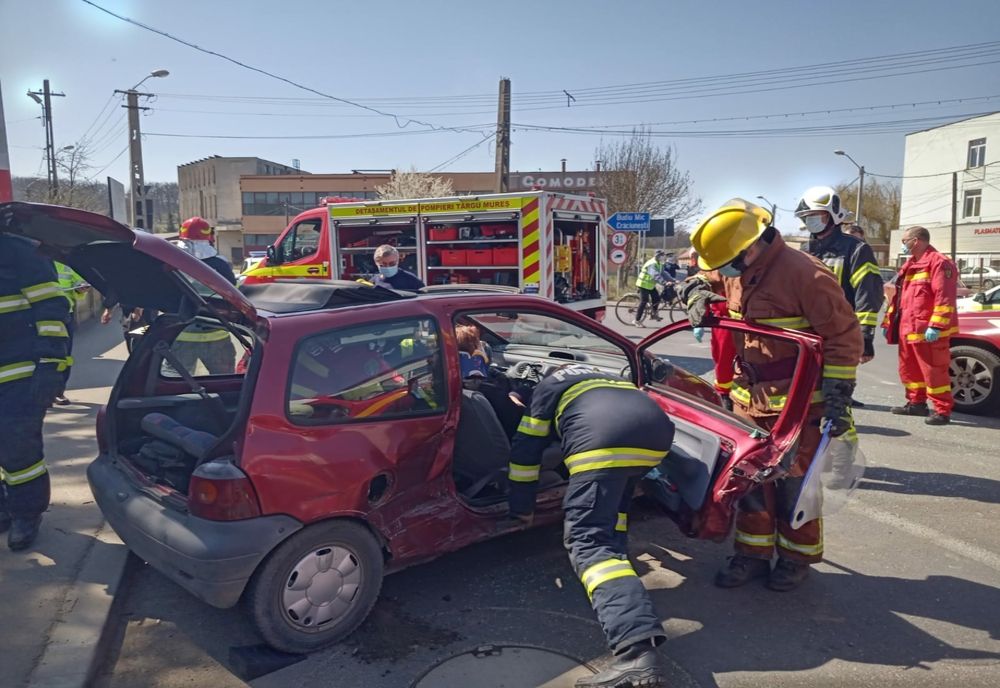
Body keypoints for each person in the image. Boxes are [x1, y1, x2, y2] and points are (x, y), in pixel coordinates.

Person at [679, 198, 862, 591]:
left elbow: (844, 337)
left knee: (794, 487)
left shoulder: (805, 275)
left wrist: (838, 394)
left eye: (729, 263)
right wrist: (694, 293)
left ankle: (796, 560)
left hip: (799, 405)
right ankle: (752, 555)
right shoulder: (736, 267)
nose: (725, 272)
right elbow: (702, 278)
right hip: (748, 402)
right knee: (748, 485)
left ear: (751, 246)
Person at [505, 365, 675, 687]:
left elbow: (525, 451)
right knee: (614, 511)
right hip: (657, 435)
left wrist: (521, 508)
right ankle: (620, 569)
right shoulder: (606, 375)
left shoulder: (547, 387)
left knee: (589, 542)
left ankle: (636, 653)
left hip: (603, 439)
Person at [1, 232, 71, 550]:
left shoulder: (20, 252)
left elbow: (52, 311)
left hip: (19, 372)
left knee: (17, 447)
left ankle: (26, 513)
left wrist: (52, 364)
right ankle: (5, 506)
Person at [797, 186, 884, 409]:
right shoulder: (804, 250)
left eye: (816, 215)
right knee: (804, 396)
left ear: (834, 215)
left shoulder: (856, 249)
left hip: (839, 334)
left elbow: (868, 293)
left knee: (835, 401)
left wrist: (865, 336)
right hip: (806, 334)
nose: (811, 220)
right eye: (807, 217)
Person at [884, 226, 958, 425]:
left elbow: (944, 297)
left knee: (934, 371)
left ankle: (942, 411)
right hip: (908, 329)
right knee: (909, 370)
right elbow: (899, 297)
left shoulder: (939, 262)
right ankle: (916, 404)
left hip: (928, 331)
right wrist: (889, 322)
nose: (903, 245)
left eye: (905, 241)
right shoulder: (911, 264)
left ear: (916, 240)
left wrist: (937, 326)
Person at [171, 217, 236, 375]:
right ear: (209, 237)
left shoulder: (171, 262)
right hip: (217, 334)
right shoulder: (221, 265)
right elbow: (234, 294)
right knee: (225, 382)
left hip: (181, 335)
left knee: (175, 382)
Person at [53, 261, 89, 405]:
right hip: (39, 316)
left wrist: (81, 288)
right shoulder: (35, 261)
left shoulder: (66, 263)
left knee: (64, 355)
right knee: (42, 354)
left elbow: (79, 281)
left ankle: (58, 391)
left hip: (65, 315)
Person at [632, 249, 669, 327]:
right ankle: (637, 320)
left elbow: (663, 273)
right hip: (643, 284)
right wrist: (664, 282)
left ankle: (653, 315)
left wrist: (673, 280)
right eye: (662, 255)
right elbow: (655, 275)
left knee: (657, 299)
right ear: (657, 256)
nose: (663, 257)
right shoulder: (652, 264)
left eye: (663, 255)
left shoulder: (659, 263)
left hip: (650, 285)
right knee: (644, 301)